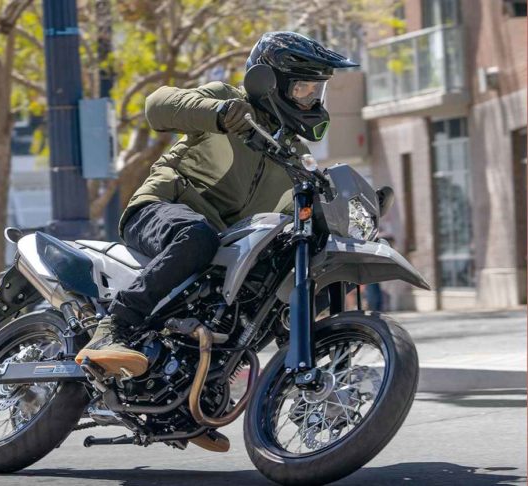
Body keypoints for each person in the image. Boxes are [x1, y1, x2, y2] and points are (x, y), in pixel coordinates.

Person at [76, 32, 358, 378]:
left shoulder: (294, 155)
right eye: (303, 88)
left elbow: (292, 217)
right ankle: (113, 327)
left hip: (222, 250)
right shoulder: (226, 100)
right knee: (197, 236)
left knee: (276, 282)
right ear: (270, 83)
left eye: (317, 90)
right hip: (161, 211)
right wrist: (219, 113)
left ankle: (220, 381)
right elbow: (157, 106)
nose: (312, 98)